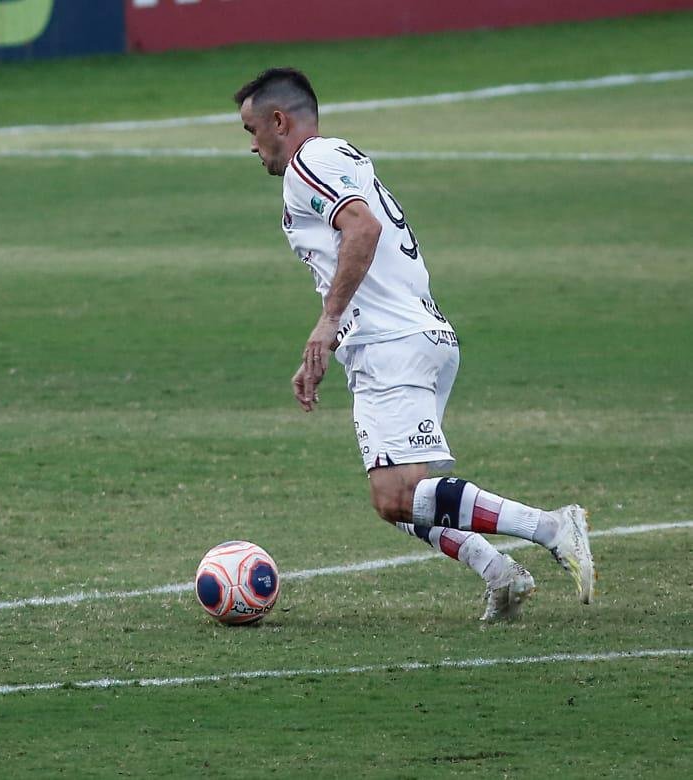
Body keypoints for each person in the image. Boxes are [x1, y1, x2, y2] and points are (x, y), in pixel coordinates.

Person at [233, 68, 595, 622]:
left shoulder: (309, 162)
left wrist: (328, 324)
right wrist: (326, 338)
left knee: (396, 495)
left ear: (279, 121)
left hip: (390, 345)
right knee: (403, 497)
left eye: (251, 129)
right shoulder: (338, 159)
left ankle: (549, 526)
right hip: (412, 336)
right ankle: (501, 575)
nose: (252, 145)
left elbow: (363, 231)